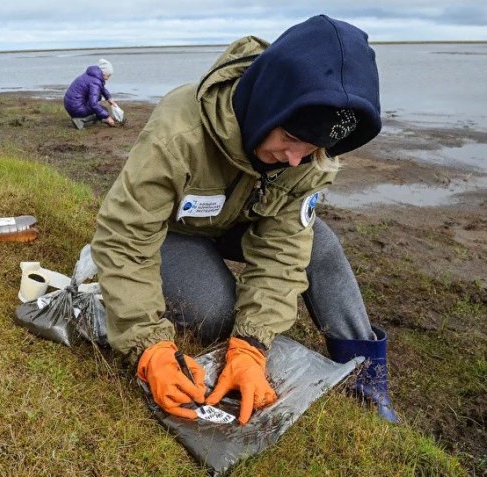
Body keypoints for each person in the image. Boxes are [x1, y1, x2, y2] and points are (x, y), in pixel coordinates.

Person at [90, 15, 399, 425]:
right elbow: (126, 235)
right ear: (265, 104)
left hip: (244, 221)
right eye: (289, 138)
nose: (295, 158)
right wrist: (148, 347)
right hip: (176, 231)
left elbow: (285, 246)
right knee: (215, 313)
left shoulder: (307, 156)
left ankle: (365, 376)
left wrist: (252, 343)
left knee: (319, 242)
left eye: (309, 148)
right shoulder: (180, 131)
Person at [64, 58, 118, 130]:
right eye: (108, 76)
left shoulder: (91, 75)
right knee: (102, 110)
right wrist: (107, 117)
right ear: (103, 73)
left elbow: (101, 88)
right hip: (76, 107)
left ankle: (87, 118)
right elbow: (94, 104)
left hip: (70, 104)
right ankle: (80, 120)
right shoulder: (95, 81)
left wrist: (109, 99)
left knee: (99, 106)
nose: (108, 78)